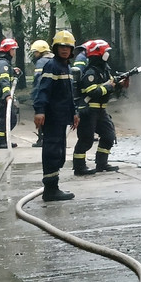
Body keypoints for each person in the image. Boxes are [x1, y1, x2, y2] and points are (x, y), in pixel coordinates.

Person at [33, 31, 79, 201]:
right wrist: (40, 111)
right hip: (52, 117)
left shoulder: (66, 67)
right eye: (61, 46)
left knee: (58, 152)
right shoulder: (51, 66)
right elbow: (43, 90)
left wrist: (74, 113)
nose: (65, 50)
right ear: (56, 47)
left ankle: (54, 186)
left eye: (68, 47)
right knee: (52, 151)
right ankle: (50, 190)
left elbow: (69, 94)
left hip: (62, 117)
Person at [72, 39, 121, 176]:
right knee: (86, 140)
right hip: (89, 111)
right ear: (99, 53)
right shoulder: (91, 73)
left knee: (108, 136)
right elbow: (92, 91)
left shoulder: (105, 70)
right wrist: (109, 87)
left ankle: (102, 163)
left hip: (101, 110)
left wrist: (120, 84)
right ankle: (79, 167)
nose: (108, 54)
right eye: (106, 52)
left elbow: (110, 87)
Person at [0, 37, 21, 149]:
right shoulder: (3, 64)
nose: (14, 52)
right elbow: (4, 81)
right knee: (7, 120)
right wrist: (7, 95)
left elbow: (6, 75)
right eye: (13, 49)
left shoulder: (4, 63)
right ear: (8, 50)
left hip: (3, 98)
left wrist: (13, 71)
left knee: (8, 120)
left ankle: (3, 140)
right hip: (2, 99)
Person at [28, 39, 51, 147]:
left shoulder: (41, 62)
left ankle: (41, 140)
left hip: (42, 94)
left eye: (35, 52)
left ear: (41, 51)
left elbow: (38, 80)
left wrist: (35, 96)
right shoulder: (54, 59)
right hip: (54, 96)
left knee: (41, 117)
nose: (34, 54)